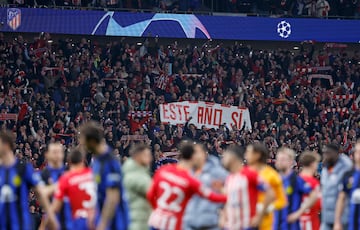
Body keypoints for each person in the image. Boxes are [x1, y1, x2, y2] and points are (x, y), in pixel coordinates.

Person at [147, 141, 227, 230]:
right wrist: (224, 193)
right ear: (193, 157)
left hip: (155, 221)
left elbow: (150, 195)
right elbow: (212, 197)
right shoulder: (190, 181)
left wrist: (158, 210)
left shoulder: (163, 170)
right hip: (173, 225)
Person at [0, 130, 58, 230]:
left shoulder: (23, 169)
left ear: (6, 144)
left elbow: (39, 193)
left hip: (20, 223)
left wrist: (51, 216)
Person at [79, 121, 129, 230]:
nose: (83, 145)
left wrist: (102, 224)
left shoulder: (109, 160)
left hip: (115, 222)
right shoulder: (97, 161)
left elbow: (112, 197)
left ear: (91, 141)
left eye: (84, 142)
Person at [221, 145, 275, 230]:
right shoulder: (229, 178)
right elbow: (228, 200)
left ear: (234, 157)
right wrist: (223, 217)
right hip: (230, 226)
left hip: (246, 225)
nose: (223, 159)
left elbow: (270, 193)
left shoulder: (249, 174)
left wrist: (259, 216)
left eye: (226, 156)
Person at [183, 143, 228, 230]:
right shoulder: (188, 172)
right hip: (189, 222)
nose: (194, 155)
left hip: (211, 223)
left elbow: (229, 194)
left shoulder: (218, 172)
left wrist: (224, 215)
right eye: (192, 153)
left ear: (204, 154)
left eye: (196, 152)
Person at [274, 147, 319, 230]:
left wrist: (298, 213)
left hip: (291, 225)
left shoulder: (296, 180)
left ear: (291, 162)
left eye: (283, 159)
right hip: (276, 224)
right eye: (278, 159)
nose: (279, 161)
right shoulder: (276, 179)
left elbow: (313, 195)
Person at [245, 143, 288, 230]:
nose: (245, 155)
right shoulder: (243, 174)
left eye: (248, 152)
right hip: (246, 221)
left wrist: (268, 207)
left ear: (257, 155)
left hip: (266, 223)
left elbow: (282, 200)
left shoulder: (272, 176)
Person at [52, 148, 97, 229]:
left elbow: (56, 206)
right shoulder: (94, 174)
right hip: (94, 220)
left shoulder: (66, 178)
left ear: (69, 162)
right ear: (83, 161)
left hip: (77, 222)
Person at [40, 142, 72, 230]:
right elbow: (42, 194)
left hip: (71, 218)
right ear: (47, 155)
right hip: (52, 218)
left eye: (59, 152)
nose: (57, 155)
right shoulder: (44, 174)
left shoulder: (70, 171)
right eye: (54, 152)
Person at [321, 143, 353, 230]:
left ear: (336, 153)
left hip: (343, 218)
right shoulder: (325, 169)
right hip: (326, 217)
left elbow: (345, 194)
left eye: (328, 153)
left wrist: (338, 220)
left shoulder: (346, 168)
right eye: (324, 153)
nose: (325, 155)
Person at [122, 144, 153, 230]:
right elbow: (153, 192)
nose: (150, 158)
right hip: (136, 220)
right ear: (137, 156)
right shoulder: (135, 175)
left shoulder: (139, 172)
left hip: (142, 218)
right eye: (146, 155)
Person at [334, 139, 360, 230]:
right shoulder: (348, 175)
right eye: (358, 152)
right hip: (351, 222)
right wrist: (337, 221)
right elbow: (341, 198)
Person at [298, 151, 321, 230]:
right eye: (316, 163)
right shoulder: (314, 183)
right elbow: (319, 204)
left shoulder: (295, 180)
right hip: (310, 222)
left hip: (297, 222)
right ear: (312, 164)